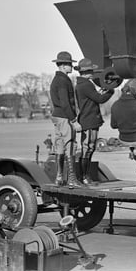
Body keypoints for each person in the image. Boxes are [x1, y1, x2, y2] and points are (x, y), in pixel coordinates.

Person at [75, 58, 114, 185]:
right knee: (88, 148)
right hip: (89, 120)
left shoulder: (82, 84)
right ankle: (85, 177)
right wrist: (111, 90)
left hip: (88, 119)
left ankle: (83, 176)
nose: (93, 72)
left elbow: (93, 97)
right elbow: (99, 99)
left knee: (88, 148)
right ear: (87, 71)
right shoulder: (86, 84)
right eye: (91, 70)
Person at [50, 51, 83, 188]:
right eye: (70, 64)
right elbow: (65, 102)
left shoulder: (55, 80)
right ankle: (71, 179)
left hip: (57, 116)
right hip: (64, 116)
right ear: (63, 65)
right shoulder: (63, 80)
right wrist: (74, 120)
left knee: (59, 146)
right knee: (70, 145)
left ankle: (59, 177)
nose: (71, 66)